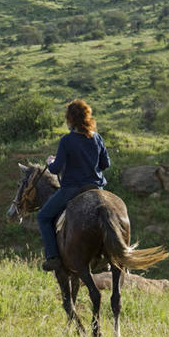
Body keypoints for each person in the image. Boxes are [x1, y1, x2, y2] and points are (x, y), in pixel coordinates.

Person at [38, 99, 110, 271]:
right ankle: (107, 256)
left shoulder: (67, 140)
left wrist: (50, 161)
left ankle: (53, 257)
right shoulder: (97, 138)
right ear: (87, 117)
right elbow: (105, 164)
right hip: (95, 188)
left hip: (72, 189)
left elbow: (55, 170)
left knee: (43, 217)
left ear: (70, 119)